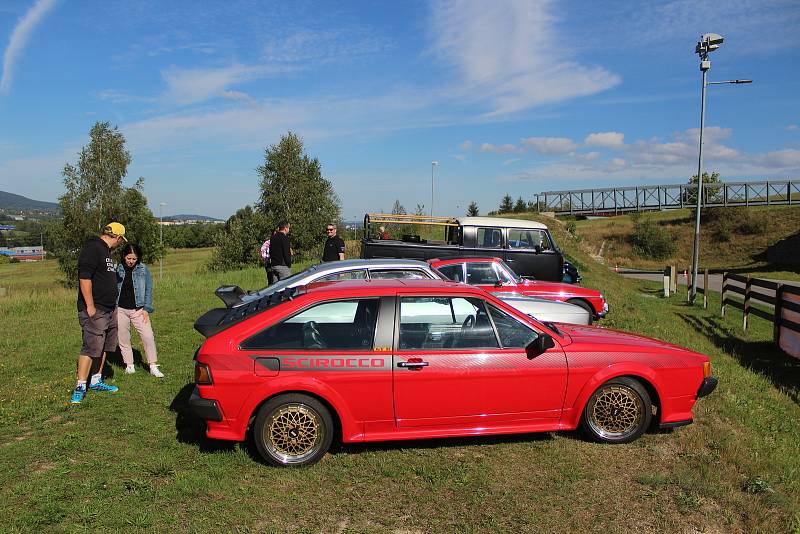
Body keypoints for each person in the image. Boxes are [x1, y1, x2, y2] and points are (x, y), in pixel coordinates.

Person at [69, 222, 126, 403]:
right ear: (117, 237)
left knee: (104, 346)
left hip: (109, 308)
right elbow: (84, 277)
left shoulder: (105, 251)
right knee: (91, 346)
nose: (120, 244)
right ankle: (80, 386)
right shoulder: (93, 247)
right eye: (120, 241)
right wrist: (90, 306)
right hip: (96, 309)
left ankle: (96, 380)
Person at [115, 243, 163, 378]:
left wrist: (146, 309)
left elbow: (148, 289)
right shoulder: (117, 269)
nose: (131, 261)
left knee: (148, 336)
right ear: (124, 256)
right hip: (120, 309)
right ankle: (129, 365)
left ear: (138, 258)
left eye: (134, 259)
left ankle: (153, 365)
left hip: (139, 310)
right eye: (128, 258)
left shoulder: (143, 269)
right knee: (123, 337)